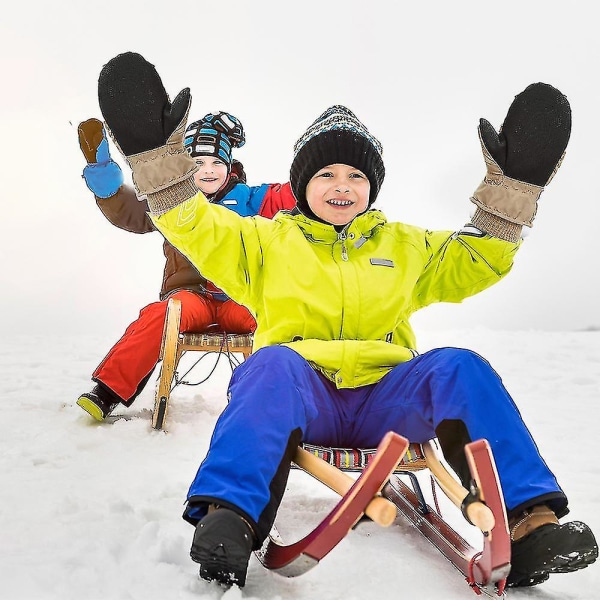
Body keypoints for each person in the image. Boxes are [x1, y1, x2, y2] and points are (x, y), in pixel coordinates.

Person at [96, 52, 598, 589]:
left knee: (461, 366)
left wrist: (512, 196)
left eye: (356, 175)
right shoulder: (265, 241)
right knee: (267, 367)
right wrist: (156, 163)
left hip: (390, 397)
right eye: (327, 173)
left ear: (371, 187)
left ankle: (529, 520)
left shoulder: (404, 245)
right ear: (303, 183)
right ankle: (231, 517)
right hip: (304, 392)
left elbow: (478, 258)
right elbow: (194, 225)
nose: (342, 185)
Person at [75, 111, 296, 420]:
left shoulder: (250, 199)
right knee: (162, 314)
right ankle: (109, 391)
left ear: (229, 167)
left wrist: (321, 171)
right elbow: (130, 210)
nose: (208, 171)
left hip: (240, 296)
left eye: (217, 163)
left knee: (276, 317)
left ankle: (284, 397)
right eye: (198, 164)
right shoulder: (171, 202)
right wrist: (104, 178)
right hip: (192, 298)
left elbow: (293, 195)